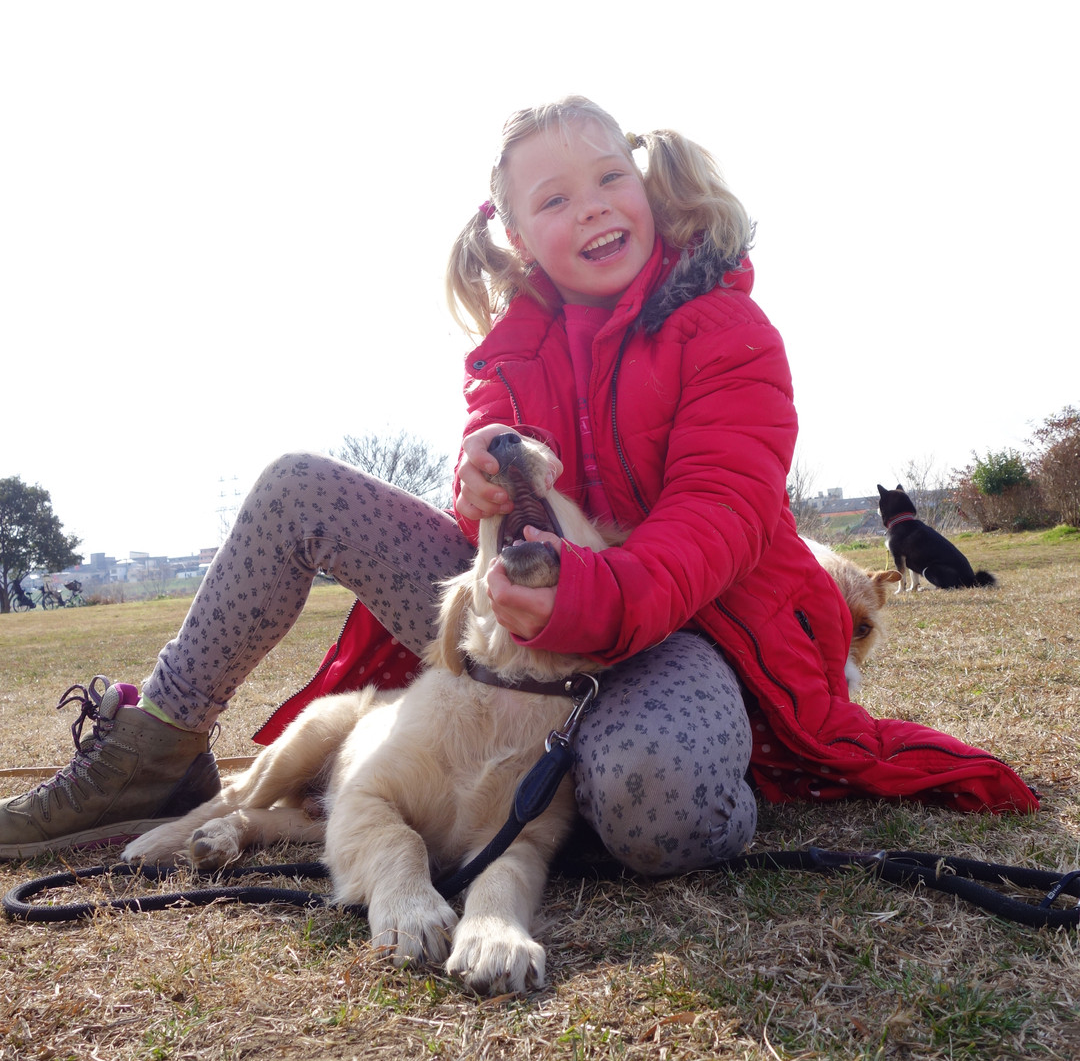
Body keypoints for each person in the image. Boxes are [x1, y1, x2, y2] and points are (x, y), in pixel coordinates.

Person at [0, 96, 1037, 870]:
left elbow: (716, 521)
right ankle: (155, 749)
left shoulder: (729, 331)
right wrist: (481, 477)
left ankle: (668, 782)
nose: (593, 207)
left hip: (680, 630)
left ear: (647, 185)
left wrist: (587, 599)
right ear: (517, 235)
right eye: (555, 198)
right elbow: (489, 447)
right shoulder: (513, 343)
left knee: (664, 818)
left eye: (609, 177)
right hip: (516, 603)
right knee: (297, 486)